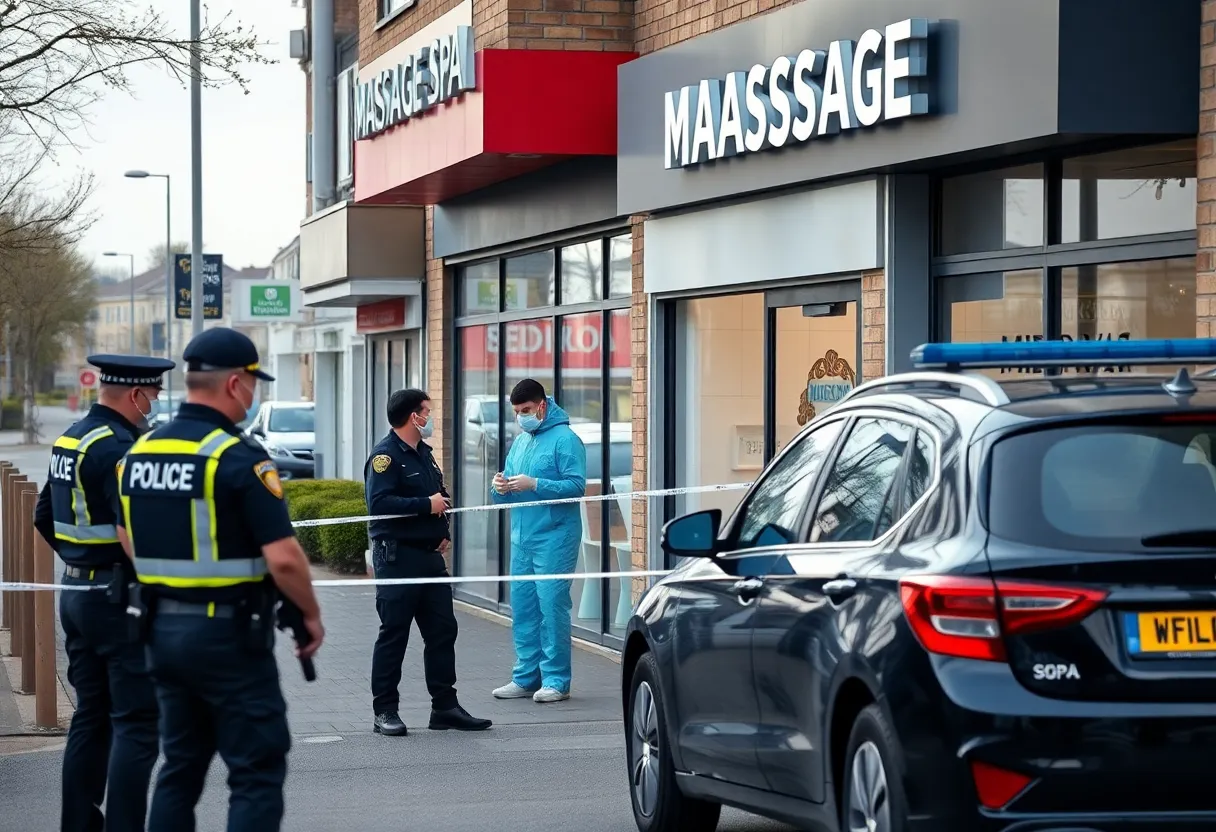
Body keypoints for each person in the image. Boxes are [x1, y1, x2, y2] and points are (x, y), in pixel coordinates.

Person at [115, 327, 324, 832]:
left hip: (160, 633)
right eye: (254, 383)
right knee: (255, 771)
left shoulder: (137, 454)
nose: (255, 395)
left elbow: (126, 536)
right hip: (227, 639)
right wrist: (312, 615)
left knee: (180, 767)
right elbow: (286, 560)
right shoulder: (236, 456)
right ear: (235, 384)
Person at [34, 354, 173, 832]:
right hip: (119, 601)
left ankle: (78, 824)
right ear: (134, 394)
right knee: (137, 725)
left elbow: (41, 516)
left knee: (91, 717)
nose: (153, 406)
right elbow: (138, 531)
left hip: (76, 594)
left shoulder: (71, 438)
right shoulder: (122, 448)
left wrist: (80, 558)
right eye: (152, 397)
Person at [366, 388, 492, 737]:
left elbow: (440, 496)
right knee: (394, 635)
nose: (430, 418)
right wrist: (426, 505)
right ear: (413, 417)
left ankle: (445, 708)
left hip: (429, 557)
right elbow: (379, 504)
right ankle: (385, 711)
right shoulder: (385, 457)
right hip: (398, 558)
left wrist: (442, 529)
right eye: (427, 412)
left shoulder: (423, 453)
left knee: (442, 631)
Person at [490, 378, 586, 703]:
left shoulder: (566, 440)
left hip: (556, 537)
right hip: (522, 540)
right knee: (524, 608)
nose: (521, 417)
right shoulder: (521, 442)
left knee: (552, 606)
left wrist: (536, 484)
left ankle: (557, 680)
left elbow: (576, 486)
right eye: (517, 412)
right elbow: (505, 495)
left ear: (542, 405)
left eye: (526, 410)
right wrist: (499, 488)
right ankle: (526, 676)